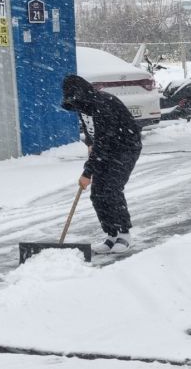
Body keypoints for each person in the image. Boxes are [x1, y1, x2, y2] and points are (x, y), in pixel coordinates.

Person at [61, 74, 142, 254]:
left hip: (125, 147)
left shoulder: (103, 104)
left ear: (82, 94)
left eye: (76, 102)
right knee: (97, 194)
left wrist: (87, 173)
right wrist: (90, 143)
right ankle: (111, 235)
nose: (76, 107)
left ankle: (124, 234)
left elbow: (104, 141)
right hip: (106, 149)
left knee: (112, 189)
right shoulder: (84, 107)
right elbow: (92, 133)